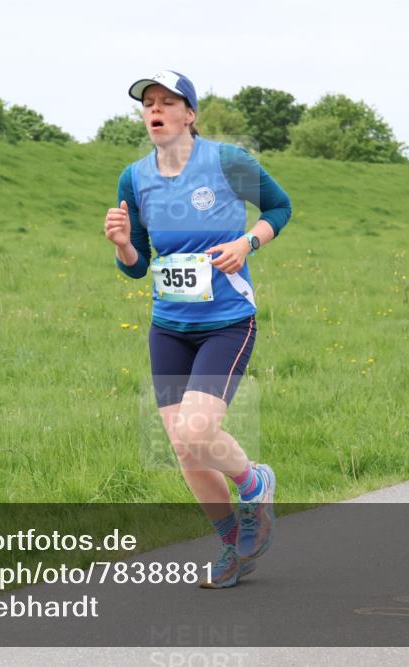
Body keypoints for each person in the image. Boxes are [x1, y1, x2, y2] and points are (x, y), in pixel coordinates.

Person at [103, 70, 292, 588]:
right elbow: (139, 264)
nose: (155, 109)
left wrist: (247, 243)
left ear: (190, 114)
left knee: (198, 430)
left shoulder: (226, 161)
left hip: (227, 322)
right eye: (148, 103)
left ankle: (255, 483)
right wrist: (122, 245)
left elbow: (280, 206)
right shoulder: (134, 177)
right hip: (168, 326)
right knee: (184, 447)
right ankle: (232, 545)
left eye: (167, 101)